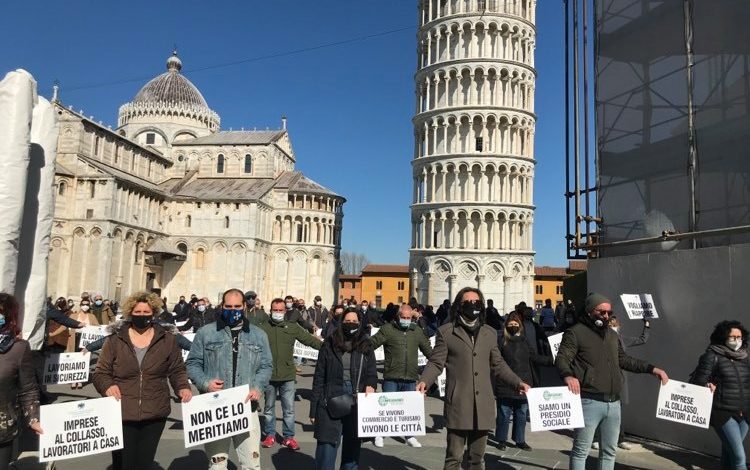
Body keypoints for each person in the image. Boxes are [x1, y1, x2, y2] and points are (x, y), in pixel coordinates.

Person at [417, 287, 530, 470]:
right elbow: (436, 362)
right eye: (467, 302)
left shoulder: (490, 333)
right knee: (454, 458)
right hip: (458, 402)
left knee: (477, 459)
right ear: (459, 306)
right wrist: (425, 380)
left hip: (483, 404)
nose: (472, 305)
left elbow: (498, 364)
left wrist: (517, 382)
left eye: (476, 302)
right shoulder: (446, 332)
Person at [555, 292, 669, 470]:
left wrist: (652, 369)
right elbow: (562, 357)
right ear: (590, 311)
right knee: (581, 451)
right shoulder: (575, 333)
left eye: (609, 312)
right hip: (589, 401)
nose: (606, 316)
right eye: (601, 312)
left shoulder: (612, 335)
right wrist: (568, 375)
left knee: (609, 452)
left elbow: (624, 360)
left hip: (614, 403)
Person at [93, 291, 192, 470]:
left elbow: (177, 369)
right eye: (137, 312)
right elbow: (100, 372)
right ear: (130, 313)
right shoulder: (115, 340)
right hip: (121, 410)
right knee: (124, 463)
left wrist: (182, 386)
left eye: (146, 312)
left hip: (155, 411)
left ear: (154, 313)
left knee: (144, 463)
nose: (142, 316)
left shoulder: (167, 340)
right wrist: (107, 386)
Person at [186, 288, 273, 470]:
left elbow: (266, 366)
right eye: (228, 306)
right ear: (221, 306)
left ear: (244, 307)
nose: (233, 310)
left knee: (251, 463)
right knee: (217, 465)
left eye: (237, 306)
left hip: (247, 407)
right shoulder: (206, 333)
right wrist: (205, 383)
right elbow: (192, 364)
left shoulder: (258, 335)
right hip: (217, 409)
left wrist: (257, 387)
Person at [311, 308, 377, 470]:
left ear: (360, 323)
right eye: (347, 321)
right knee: (326, 449)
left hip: (356, 401)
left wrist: (371, 385)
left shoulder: (366, 344)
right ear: (341, 323)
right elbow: (319, 376)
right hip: (330, 398)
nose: (351, 324)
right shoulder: (329, 343)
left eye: (355, 322)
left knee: (352, 450)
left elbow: (372, 373)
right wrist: (314, 409)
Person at [259, 298, 323, 450]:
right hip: (269, 375)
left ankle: (288, 437)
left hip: (287, 375)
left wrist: (328, 346)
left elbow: (309, 340)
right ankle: (270, 435)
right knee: (268, 408)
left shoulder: (292, 327)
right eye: (275, 310)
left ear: (285, 311)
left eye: (281, 310)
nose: (278, 313)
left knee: (289, 409)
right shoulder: (262, 328)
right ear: (270, 311)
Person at [369, 303, 432, 448]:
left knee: (409, 410)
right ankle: (379, 433)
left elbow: (429, 352)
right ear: (398, 317)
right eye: (403, 317)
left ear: (412, 318)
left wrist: (442, 361)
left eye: (408, 318)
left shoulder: (416, 331)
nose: (406, 320)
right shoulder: (387, 330)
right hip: (391, 376)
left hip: (410, 377)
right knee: (386, 409)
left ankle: (410, 436)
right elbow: (371, 344)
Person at [690, 320, 750, 470]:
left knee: (729, 453)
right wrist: (707, 385)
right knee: (739, 458)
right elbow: (698, 382)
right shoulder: (711, 356)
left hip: (744, 414)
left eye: (739, 337)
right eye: (733, 337)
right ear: (723, 337)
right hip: (723, 413)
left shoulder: (745, 358)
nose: (737, 341)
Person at [494, 312, 552, 451]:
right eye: (511, 324)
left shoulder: (524, 341)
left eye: (516, 324)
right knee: (504, 413)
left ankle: (519, 440)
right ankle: (501, 439)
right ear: (506, 325)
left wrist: (551, 360)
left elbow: (534, 357)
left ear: (519, 326)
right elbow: (496, 361)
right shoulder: (501, 341)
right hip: (505, 383)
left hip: (525, 383)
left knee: (521, 414)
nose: (513, 326)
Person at [592, 315, 651, 451]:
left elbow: (643, 339)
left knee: (619, 409)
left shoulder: (622, 339)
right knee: (601, 408)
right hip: (605, 378)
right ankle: (598, 438)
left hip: (620, 378)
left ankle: (620, 439)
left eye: (615, 325)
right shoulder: (601, 339)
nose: (614, 327)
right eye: (611, 325)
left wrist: (647, 324)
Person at [0, 294, 43, 470]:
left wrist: (33, 418)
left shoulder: (19, 348)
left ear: (9, 318)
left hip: (2, 428)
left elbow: (28, 389)